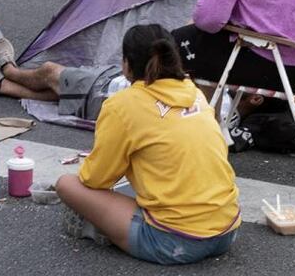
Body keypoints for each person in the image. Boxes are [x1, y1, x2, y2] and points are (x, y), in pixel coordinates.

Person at [53, 24, 241, 266]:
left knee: (67, 185)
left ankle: (99, 228)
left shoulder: (122, 104)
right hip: (227, 230)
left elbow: (95, 180)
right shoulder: (193, 92)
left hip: (174, 242)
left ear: (127, 65)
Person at [0, 37, 127, 123]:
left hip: (104, 91)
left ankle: (9, 71)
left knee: (50, 72)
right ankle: (1, 85)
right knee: (63, 90)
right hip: (113, 81)